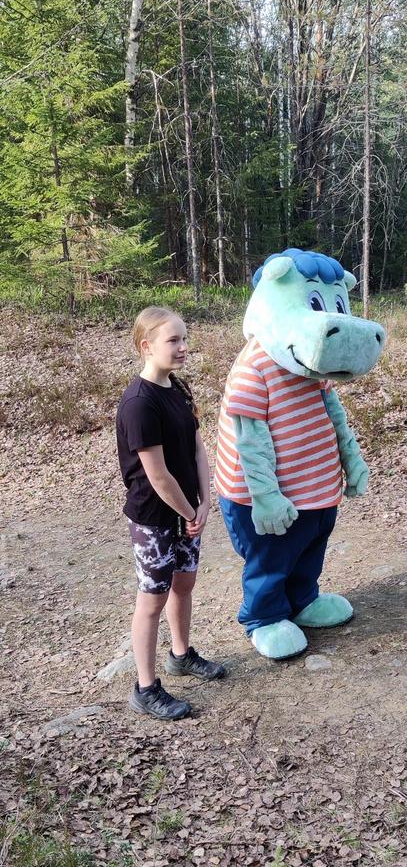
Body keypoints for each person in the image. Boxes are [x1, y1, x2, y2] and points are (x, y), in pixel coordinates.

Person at [116, 305, 226, 721]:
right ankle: (145, 688)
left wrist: (205, 499)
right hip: (154, 519)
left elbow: (198, 448)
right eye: (173, 340)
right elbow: (158, 475)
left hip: (187, 512)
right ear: (147, 346)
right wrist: (190, 511)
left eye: (185, 339)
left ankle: (181, 655)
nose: (183, 347)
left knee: (184, 584)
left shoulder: (178, 388)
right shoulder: (138, 403)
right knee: (152, 599)